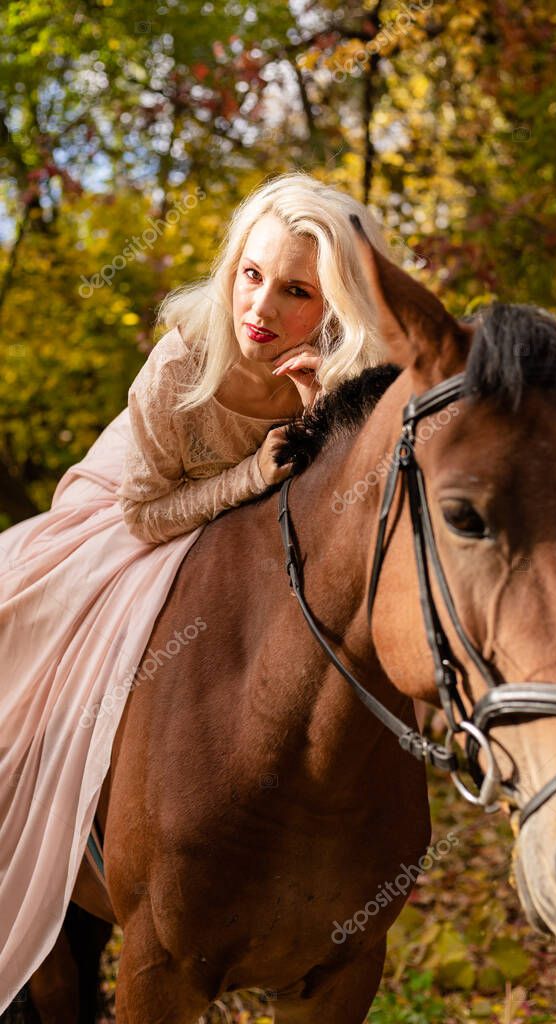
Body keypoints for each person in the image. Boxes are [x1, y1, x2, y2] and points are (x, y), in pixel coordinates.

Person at [0, 171, 396, 1011]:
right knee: (29, 616)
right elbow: (144, 512)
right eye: (250, 275)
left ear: (333, 305)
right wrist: (252, 474)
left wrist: (328, 422)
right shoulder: (186, 352)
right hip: (140, 508)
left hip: (258, 524)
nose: (260, 308)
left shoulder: (354, 369)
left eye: (295, 290)